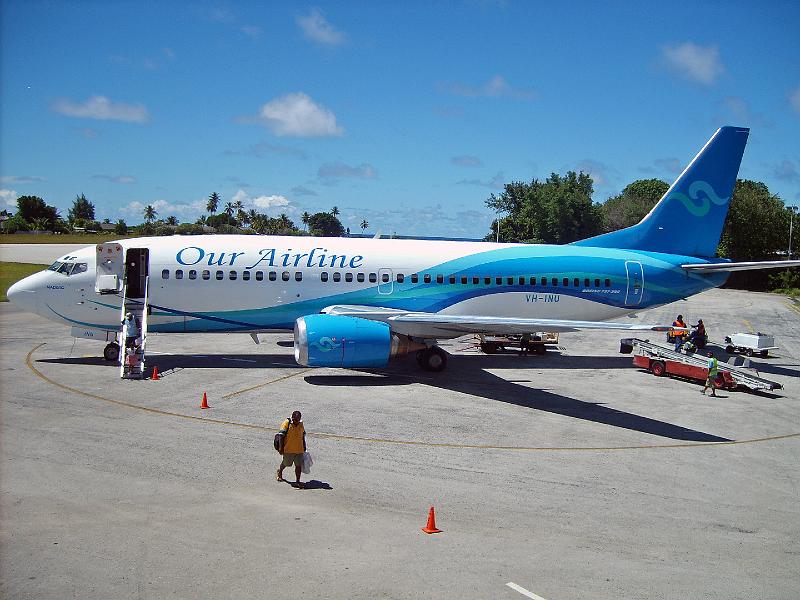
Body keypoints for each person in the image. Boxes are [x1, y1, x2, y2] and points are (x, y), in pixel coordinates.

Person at [276, 411, 306, 488]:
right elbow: (280, 436)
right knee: (286, 463)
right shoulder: (287, 423)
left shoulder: (301, 424)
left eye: (298, 420)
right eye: (296, 420)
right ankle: (280, 471)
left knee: (298, 465)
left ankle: (297, 481)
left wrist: (304, 446)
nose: (297, 422)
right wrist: (280, 448)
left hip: (299, 449)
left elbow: (302, 435)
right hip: (289, 449)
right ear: (292, 418)